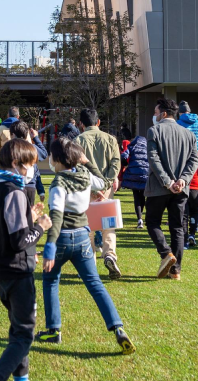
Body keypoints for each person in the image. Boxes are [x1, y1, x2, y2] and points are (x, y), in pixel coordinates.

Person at [35, 136, 135, 355]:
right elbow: (105, 181)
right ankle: (118, 327)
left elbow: (57, 217)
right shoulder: (84, 175)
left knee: (51, 281)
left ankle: (53, 329)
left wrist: (49, 247)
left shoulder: (58, 184)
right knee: (95, 284)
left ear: (57, 159)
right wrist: (87, 161)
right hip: (83, 237)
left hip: (62, 239)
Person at [0, 138, 51, 381]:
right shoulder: (15, 191)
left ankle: (22, 377)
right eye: (30, 163)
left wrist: (28, 218)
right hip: (16, 271)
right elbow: (20, 241)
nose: (32, 168)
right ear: (16, 163)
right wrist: (40, 227)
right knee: (24, 335)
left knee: (17, 328)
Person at [145, 98, 198, 280]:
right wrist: (183, 180)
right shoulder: (189, 134)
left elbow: (154, 160)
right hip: (181, 189)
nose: (154, 115)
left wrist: (168, 182)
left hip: (159, 188)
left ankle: (166, 253)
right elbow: (194, 160)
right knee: (177, 227)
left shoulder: (154, 131)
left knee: (152, 222)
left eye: (156, 112)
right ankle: (176, 271)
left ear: (164, 113)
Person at [74, 108, 122, 279]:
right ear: (98, 122)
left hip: (85, 189)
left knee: (87, 228)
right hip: (106, 190)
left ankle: (89, 264)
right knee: (108, 226)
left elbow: (77, 168)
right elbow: (116, 164)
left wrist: (95, 187)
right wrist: (106, 185)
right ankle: (110, 254)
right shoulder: (110, 139)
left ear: (81, 124)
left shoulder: (77, 140)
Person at [119, 133, 149, 229]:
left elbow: (124, 156)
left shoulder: (131, 147)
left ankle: (139, 219)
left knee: (136, 197)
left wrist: (125, 164)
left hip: (133, 175)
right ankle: (144, 217)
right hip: (145, 174)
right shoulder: (148, 147)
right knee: (144, 196)